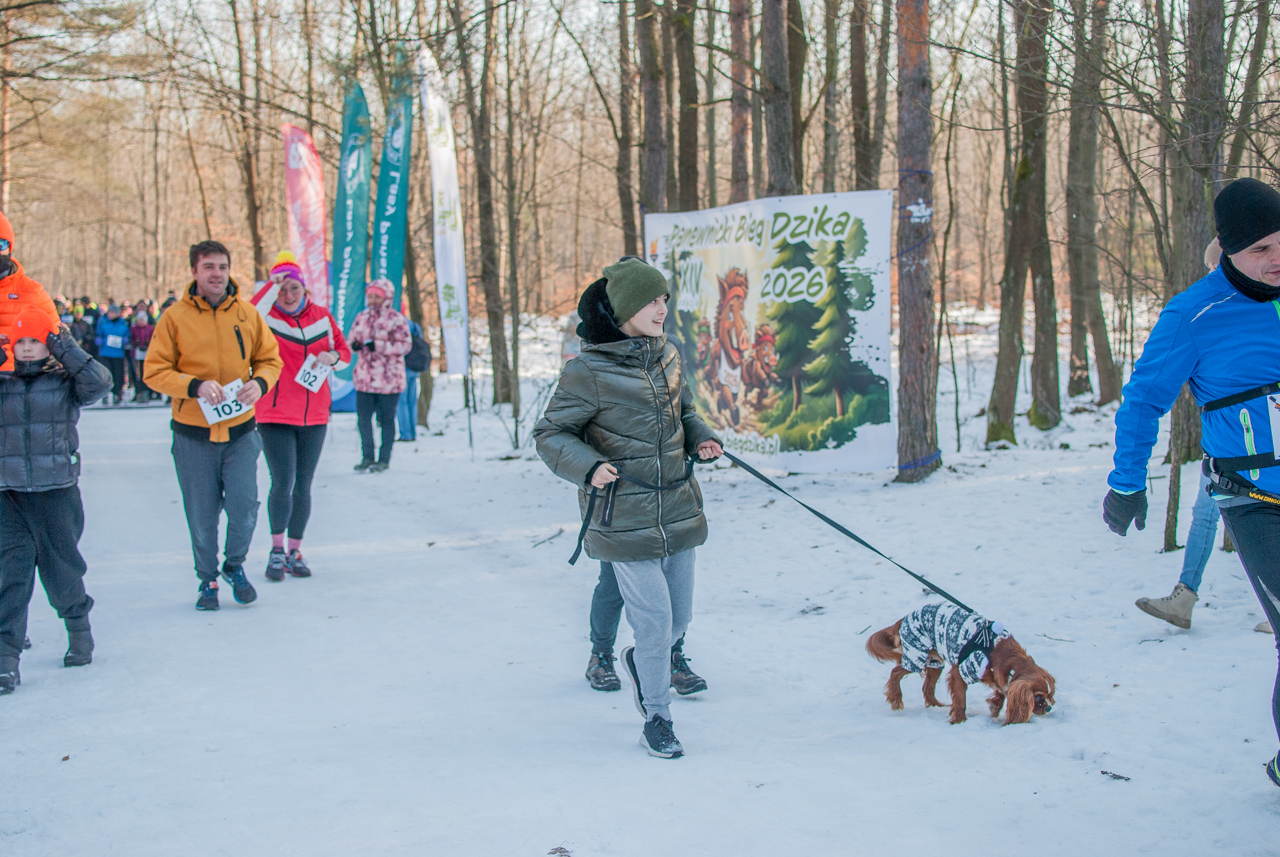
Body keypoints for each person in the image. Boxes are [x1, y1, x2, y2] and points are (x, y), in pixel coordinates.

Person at [1105, 177, 1280, 788]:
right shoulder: (1194, 313)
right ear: (1227, 249)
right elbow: (1143, 400)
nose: (1276, 258)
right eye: (1259, 249)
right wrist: (1128, 481)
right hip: (1254, 500)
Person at [534, 257, 722, 759]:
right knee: (656, 623)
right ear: (622, 309)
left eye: (664, 299)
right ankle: (658, 717)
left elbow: (685, 411)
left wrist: (701, 437)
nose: (662, 309)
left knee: (678, 620)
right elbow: (551, 433)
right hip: (622, 517)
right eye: (652, 300)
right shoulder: (588, 371)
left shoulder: (668, 356)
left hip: (679, 507)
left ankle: (643, 659)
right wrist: (589, 466)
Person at [143, 240, 282, 611]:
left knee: (245, 507)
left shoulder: (248, 314)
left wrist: (260, 382)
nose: (216, 273)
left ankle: (233, 566)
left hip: (240, 433)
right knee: (202, 517)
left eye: (222, 266)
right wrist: (194, 386)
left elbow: (270, 359)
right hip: (193, 436)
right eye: (208, 267)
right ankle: (207, 579)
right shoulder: (174, 318)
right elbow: (153, 372)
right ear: (194, 272)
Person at [0, 310, 111, 694]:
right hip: (7, 494)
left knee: (62, 569)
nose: (28, 349)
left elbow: (100, 383)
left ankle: (78, 629)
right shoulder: (2, 383)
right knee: (10, 578)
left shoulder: (65, 381)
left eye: (35, 341)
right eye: (21, 343)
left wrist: (65, 346)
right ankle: (5, 660)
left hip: (56, 493)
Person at [251, 252, 351, 581]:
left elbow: (345, 353)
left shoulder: (322, 316)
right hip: (275, 413)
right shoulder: (264, 318)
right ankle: (276, 549)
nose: (289, 296)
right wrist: (271, 286)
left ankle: (295, 550)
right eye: (282, 289)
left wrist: (333, 356)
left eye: (294, 288)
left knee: (303, 486)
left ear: (304, 288)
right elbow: (247, 314)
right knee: (282, 483)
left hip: (315, 415)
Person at [585, 560, 708, 695]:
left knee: (670, 583)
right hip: (619, 540)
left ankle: (671, 657)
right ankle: (600, 656)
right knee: (612, 585)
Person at [348, 279, 410, 472]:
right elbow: (350, 339)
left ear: (386, 298)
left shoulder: (396, 319)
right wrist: (355, 345)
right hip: (365, 379)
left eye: (377, 296)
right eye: (371, 296)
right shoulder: (362, 317)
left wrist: (381, 347)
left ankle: (384, 459)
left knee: (386, 420)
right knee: (363, 420)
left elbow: (405, 345)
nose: (373, 299)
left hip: (388, 380)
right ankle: (367, 457)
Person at [0, 211, 60, 373]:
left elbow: (58, 343)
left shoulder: (33, 292)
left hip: (21, 383)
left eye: (1, 244)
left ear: (10, 248)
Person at [397, 300, 426, 442]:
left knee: (401, 401)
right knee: (411, 400)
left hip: (402, 366)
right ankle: (412, 432)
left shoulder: (397, 324)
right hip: (414, 367)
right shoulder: (414, 325)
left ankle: (405, 434)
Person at [95, 305, 130, 405]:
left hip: (118, 354)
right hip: (105, 352)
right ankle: (105, 394)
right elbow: (99, 334)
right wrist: (99, 340)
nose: (110, 315)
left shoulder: (123, 324)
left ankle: (117, 393)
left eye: (113, 313)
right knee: (106, 375)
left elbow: (127, 335)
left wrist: (125, 341)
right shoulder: (104, 323)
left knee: (118, 375)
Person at [127, 309, 155, 402]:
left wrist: (149, 344)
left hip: (147, 353)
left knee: (146, 372)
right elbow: (130, 338)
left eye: (143, 320)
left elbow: (154, 339)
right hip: (137, 353)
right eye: (139, 320)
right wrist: (134, 343)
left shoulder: (150, 328)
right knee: (137, 373)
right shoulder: (133, 329)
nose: (141, 322)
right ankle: (139, 392)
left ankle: (147, 392)